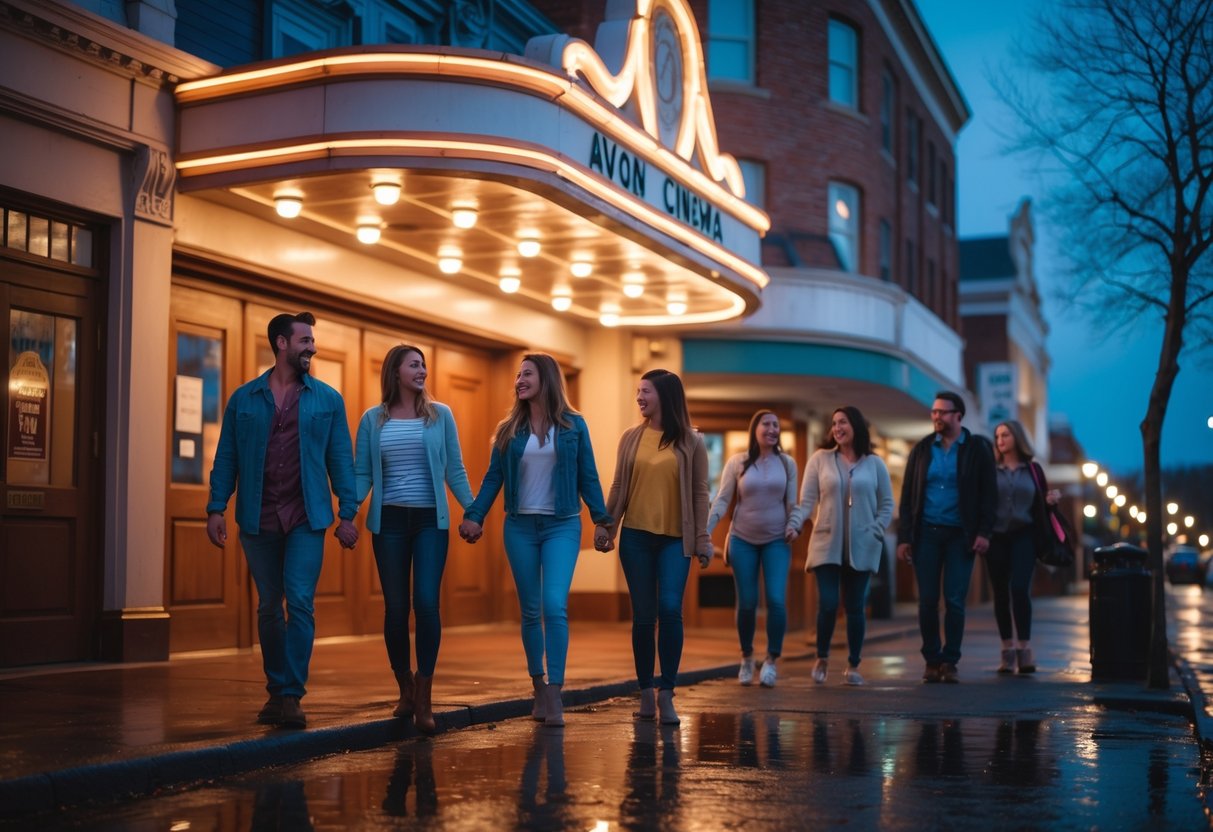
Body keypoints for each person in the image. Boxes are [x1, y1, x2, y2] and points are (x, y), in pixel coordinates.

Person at [206, 311, 359, 729]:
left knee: (301, 602)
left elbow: (340, 459)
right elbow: (227, 457)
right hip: (258, 519)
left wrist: (348, 512)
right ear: (281, 344)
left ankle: (292, 694)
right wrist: (216, 507)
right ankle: (276, 691)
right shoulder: (244, 399)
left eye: (312, 340)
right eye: (305, 340)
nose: (312, 346)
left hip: (307, 518)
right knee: (270, 607)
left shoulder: (327, 399)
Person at [458, 354, 611, 727]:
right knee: (529, 610)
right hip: (520, 527)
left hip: (562, 525)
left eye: (527, 373)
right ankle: (538, 685)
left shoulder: (574, 426)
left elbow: (587, 475)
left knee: (554, 605)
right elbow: (493, 478)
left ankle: (555, 692)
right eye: (517, 374)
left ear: (546, 378)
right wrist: (474, 516)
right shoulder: (510, 427)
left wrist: (602, 520)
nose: (519, 379)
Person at [354, 344, 474, 734]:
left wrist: (472, 511)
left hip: (429, 522)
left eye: (424, 365)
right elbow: (361, 475)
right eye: (414, 365)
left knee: (425, 601)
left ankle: (425, 694)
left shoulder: (441, 416)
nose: (422, 370)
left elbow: (454, 468)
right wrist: (344, 513)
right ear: (396, 372)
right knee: (394, 608)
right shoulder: (373, 420)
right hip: (387, 520)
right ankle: (404, 686)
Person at [597, 369, 712, 726]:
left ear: (665, 395)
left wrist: (703, 539)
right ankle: (646, 691)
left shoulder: (691, 442)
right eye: (638, 391)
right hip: (635, 538)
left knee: (669, 609)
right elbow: (618, 486)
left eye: (645, 391)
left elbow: (700, 493)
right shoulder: (631, 438)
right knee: (644, 615)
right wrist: (606, 525)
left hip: (676, 539)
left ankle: (667, 694)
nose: (639, 397)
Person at [896, 391, 996, 684]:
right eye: (934, 412)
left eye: (943, 412)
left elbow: (989, 495)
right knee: (927, 600)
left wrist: (984, 532)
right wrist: (905, 537)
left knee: (954, 599)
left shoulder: (977, 449)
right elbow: (908, 496)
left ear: (958, 416)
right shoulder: (922, 449)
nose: (936, 417)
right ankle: (931, 659)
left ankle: (950, 661)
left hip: (960, 536)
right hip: (926, 533)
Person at [789, 406, 894, 686]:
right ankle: (822, 656)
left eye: (843, 422)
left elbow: (887, 504)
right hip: (826, 542)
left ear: (856, 426)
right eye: (834, 423)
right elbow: (807, 500)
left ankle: (853, 664)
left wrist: (876, 528)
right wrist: (797, 523)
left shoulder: (875, 464)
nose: (837, 428)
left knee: (855, 606)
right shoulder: (820, 459)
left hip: (864, 543)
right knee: (829, 603)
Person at [706, 410, 797, 688]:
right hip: (742, 540)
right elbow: (722, 500)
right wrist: (705, 531)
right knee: (747, 602)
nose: (772, 429)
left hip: (776, 541)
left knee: (776, 600)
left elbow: (793, 503)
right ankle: (747, 656)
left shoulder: (787, 463)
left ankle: (771, 660)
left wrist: (794, 524)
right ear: (754, 428)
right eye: (766, 424)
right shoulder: (738, 462)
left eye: (776, 425)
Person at [988, 419, 1060, 675]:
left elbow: (1041, 502)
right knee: (1000, 592)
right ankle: (1007, 650)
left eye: (1005, 435)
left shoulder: (1033, 470)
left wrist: (1050, 500)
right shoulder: (991, 469)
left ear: (1017, 437)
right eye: (997, 436)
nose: (1000, 440)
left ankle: (1024, 648)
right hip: (996, 537)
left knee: (1020, 588)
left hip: (1024, 535)